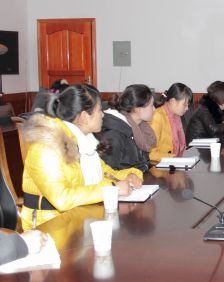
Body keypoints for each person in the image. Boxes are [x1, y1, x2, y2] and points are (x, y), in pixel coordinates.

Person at [21, 84, 143, 229]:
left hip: (78, 219)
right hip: (49, 226)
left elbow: (107, 173)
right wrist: (112, 188)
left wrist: (131, 174)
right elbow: (62, 199)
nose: (103, 115)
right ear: (85, 117)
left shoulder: (84, 142)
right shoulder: (46, 146)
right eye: (100, 110)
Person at [98, 84, 156, 172]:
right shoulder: (114, 135)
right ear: (138, 109)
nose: (154, 109)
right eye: (151, 105)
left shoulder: (140, 129)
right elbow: (108, 172)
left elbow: (142, 163)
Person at [149, 83, 192, 162]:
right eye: (184, 105)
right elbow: (150, 153)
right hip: (159, 165)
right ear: (173, 101)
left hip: (172, 163)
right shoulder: (157, 116)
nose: (187, 108)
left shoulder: (176, 116)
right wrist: (174, 158)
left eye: (188, 105)